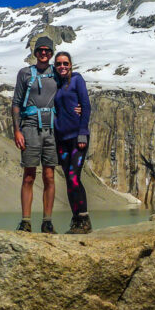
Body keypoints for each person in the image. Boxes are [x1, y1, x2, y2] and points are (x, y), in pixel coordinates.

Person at [11, 36, 58, 233]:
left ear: (51, 53)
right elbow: (16, 103)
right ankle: (26, 221)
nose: (44, 53)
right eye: (41, 50)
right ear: (35, 52)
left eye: (48, 50)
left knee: (49, 176)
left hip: (52, 129)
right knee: (29, 175)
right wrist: (16, 130)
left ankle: (47, 221)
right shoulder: (24, 74)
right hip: (29, 127)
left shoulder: (58, 73)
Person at [53, 51, 93, 234]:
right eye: (59, 63)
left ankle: (84, 219)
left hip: (77, 138)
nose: (62, 66)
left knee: (73, 177)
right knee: (69, 182)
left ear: (71, 65)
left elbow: (85, 105)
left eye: (65, 63)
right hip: (62, 140)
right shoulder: (57, 85)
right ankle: (76, 219)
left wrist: (83, 133)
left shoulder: (77, 80)